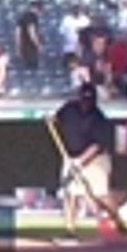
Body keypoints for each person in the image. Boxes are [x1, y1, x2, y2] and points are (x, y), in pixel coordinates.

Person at [51, 83, 116, 242]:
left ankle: (117, 219)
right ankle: (70, 230)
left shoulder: (99, 119)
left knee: (101, 196)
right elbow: (56, 119)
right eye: (84, 99)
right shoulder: (69, 109)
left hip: (95, 160)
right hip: (71, 157)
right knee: (70, 193)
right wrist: (51, 119)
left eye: (90, 100)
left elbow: (97, 146)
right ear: (79, 97)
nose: (86, 103)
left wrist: (80, 163)